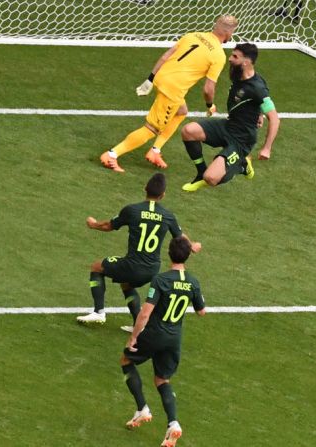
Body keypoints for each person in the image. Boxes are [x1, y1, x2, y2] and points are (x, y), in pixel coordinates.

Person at [99, 15, 238, 173]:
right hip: (172, 89)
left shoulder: (193, 35)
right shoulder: (218, 55)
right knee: (151, 128)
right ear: (229, 34)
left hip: (162, 77)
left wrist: (150, 79)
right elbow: (208, 89)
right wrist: (209, 105)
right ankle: (112, 154)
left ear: (215, 26)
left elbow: (166, 55)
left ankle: (155, 151)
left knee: (181, 111)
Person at [77, 173, 201, 330]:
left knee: (96, 267)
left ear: (145, 189)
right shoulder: (168, 216)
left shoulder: (132, 210)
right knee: (126, 283)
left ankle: (99, 312)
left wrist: (93, 224)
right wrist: (192, 246)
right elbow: (180, 237)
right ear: (163, 195)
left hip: (132, 265)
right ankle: (138, 325)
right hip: (152, 270)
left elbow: (109, 225)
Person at [121, 236, 205, 447]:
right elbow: (201, 311)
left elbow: (145, 313)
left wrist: (134, 336)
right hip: (174, 338)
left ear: (169, 253)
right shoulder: (193, 282)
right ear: (187, 256)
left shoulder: (161, 280)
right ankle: (173, 424)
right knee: (162, 380)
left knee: (126, 360)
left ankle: (142, 408)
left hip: (154, 333)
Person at [180, 43, 280, 192]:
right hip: (228, 125)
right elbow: (258, 102)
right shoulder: (239, 74)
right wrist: (259, 113)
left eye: (235, 56)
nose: (230, 59)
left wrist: (267, 148)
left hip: (242, 138)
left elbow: (275, 118)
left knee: (211, 178)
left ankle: (242, 165)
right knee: (188, 131)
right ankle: (200, 172)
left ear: (246, 62)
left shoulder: (257, 88)